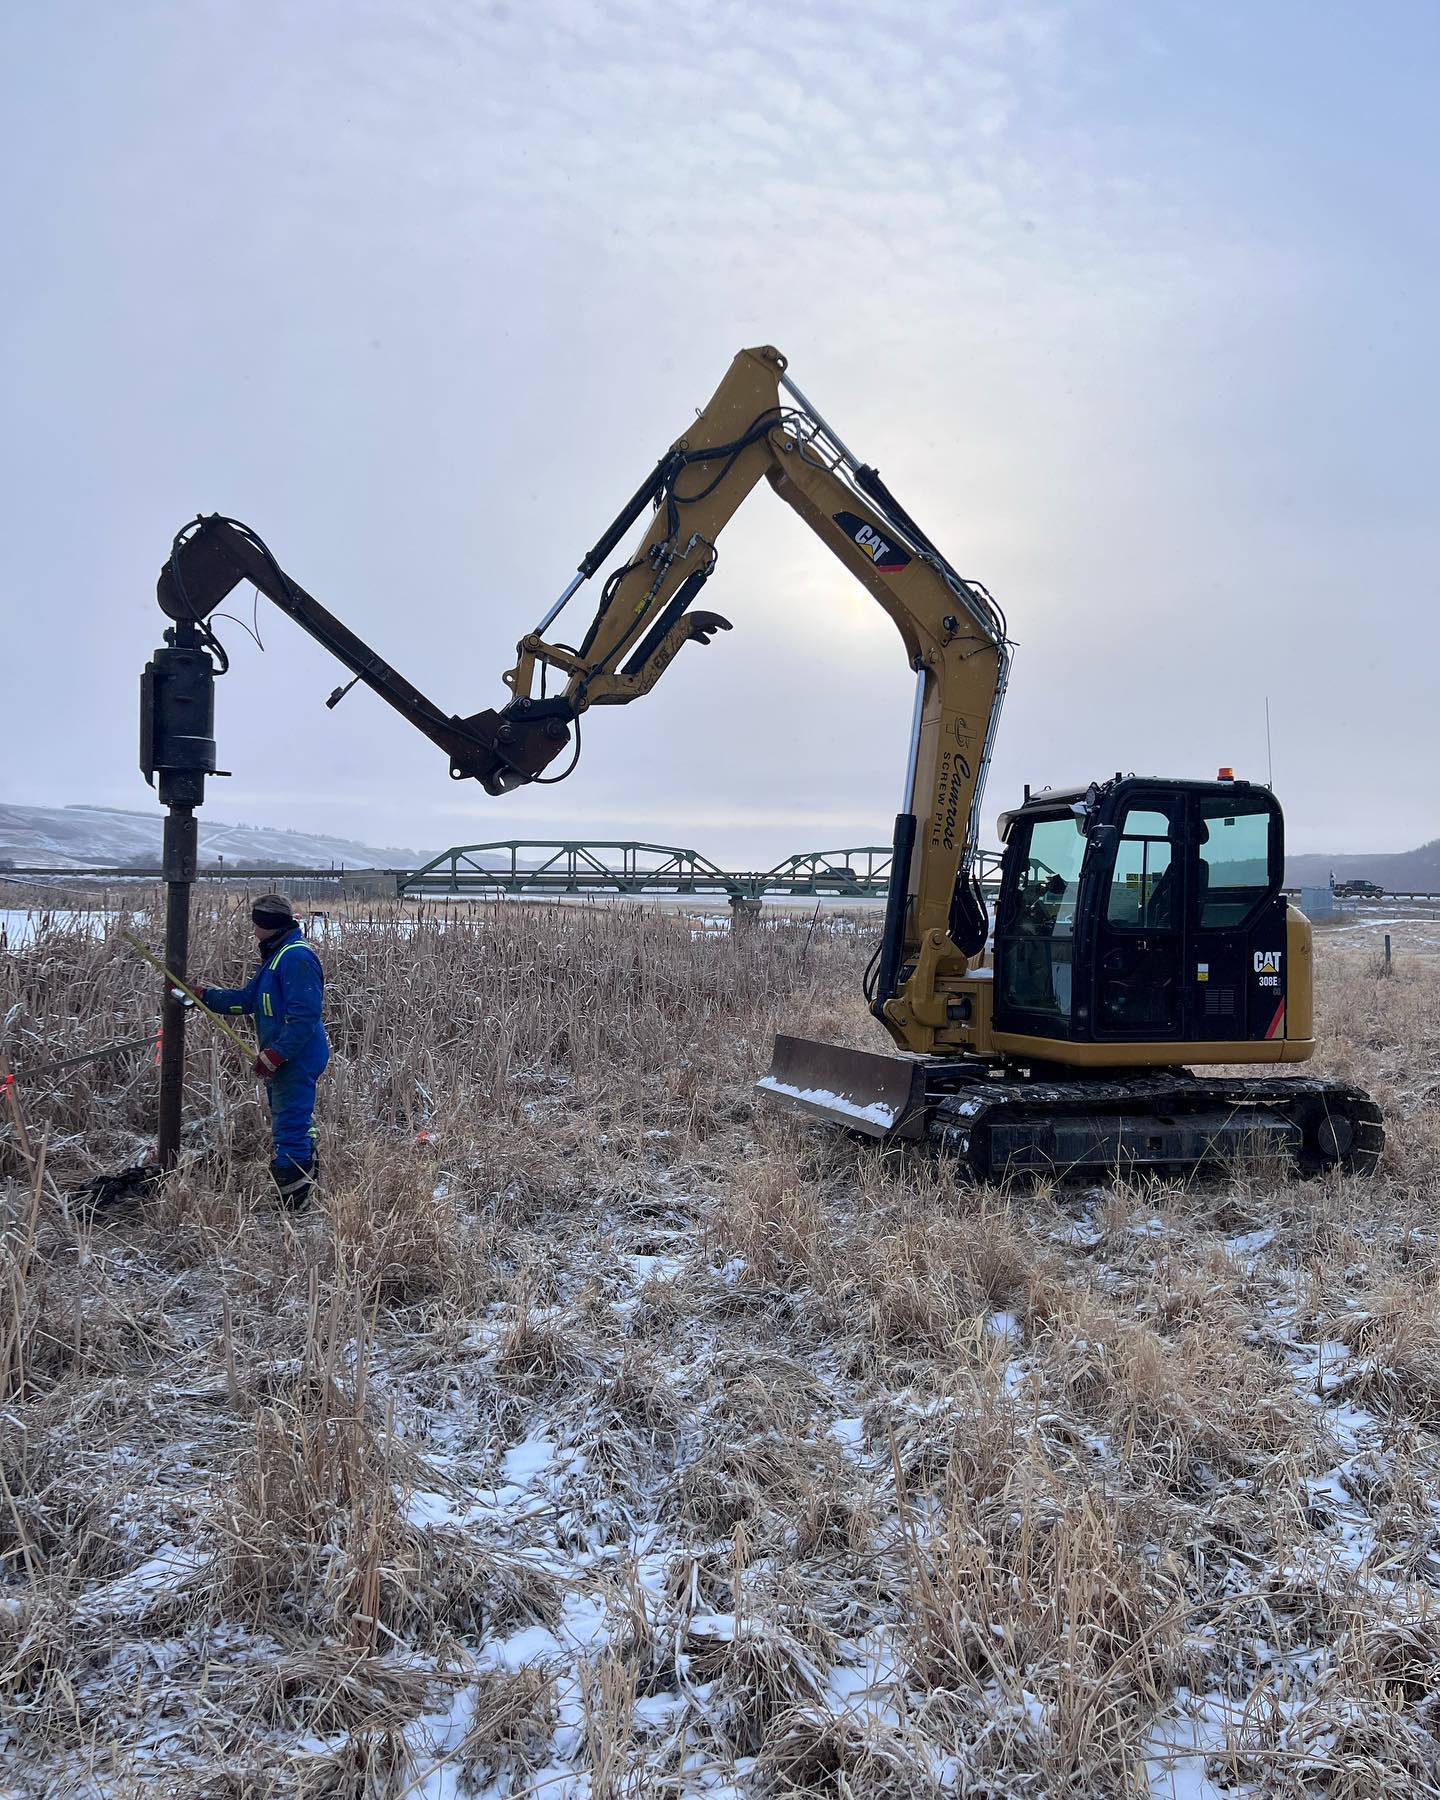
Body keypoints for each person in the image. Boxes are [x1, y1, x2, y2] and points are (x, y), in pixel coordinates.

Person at [196, 894, 329, 1208]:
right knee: (295, 1121)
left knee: (290, 1126)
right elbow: (248, 1000)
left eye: (255, 923)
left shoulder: (296, 957)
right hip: (286, 1056)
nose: (253, 929)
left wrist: (276, 1054)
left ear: (267, 924)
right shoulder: (278, 956)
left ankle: (294, 1203)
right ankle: (304, 1185)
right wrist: (204, 996)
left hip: (296, 1057)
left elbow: (304, 1016)